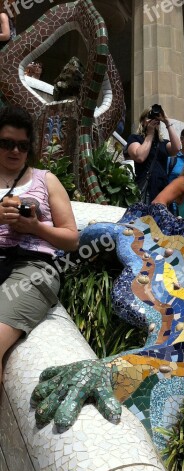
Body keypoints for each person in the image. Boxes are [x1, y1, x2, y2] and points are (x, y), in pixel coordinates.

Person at [0, 106, 78, 382]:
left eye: (22, 145)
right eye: (6, 143)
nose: (15, 151)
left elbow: (71, 238)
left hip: (32, 267)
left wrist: (35, 227)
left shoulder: (46, 180)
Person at [124, 106, 181, 204]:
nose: (154, 120)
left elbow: (176, 149)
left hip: (162, 189)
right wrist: (150, 134)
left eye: (156, 118)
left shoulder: (162, 142)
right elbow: (140, 157)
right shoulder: (135, 139)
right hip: (147, 188)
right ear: (142, 121)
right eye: (149, 117)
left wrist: (167, 122)